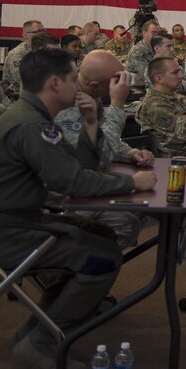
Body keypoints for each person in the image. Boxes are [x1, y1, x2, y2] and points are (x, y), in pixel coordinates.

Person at [0, 48, 156, 369]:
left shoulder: (32, 117)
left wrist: (92, 123)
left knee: (102, 237)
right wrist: (130, 183)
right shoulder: (31, 124)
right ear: (53, 83)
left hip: (0, 225)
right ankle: (41, 342)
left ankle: (39, 329)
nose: (76, 85)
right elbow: (73, 181)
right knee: (103, 257)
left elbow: (76, 167)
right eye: (70, 78)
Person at [54, 50, 156, 248]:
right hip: (62, 194)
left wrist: (132, 153)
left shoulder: (91, 96)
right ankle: (64, 267)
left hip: (82, 184)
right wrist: (118, 103)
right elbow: (99, 156)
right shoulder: (68, 104)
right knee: (125, 222)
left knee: (139, 209)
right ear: (95, 85)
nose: (121, 84)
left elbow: (102, 137)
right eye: (115, 79)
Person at [3, 19, 46, 88]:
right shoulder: (17, 54)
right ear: (26, 35)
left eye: (44, 31)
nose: (43, 34)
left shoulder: (42, 50)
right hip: (17, 95)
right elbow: (21, 79)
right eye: (38, 32)